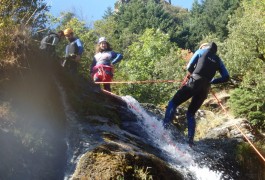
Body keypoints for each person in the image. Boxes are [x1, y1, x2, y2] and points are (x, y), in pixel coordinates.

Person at [163, 42, 230, 146]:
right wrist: (212, 81)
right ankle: (190, 141)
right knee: (191, 113)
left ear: (205, 47)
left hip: (194, 82)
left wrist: (192, 74)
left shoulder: (200, 51)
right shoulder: (218, 60)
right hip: (205, 88)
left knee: (173, 102)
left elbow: (189, 67)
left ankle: (165, 128)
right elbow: (226, 77)